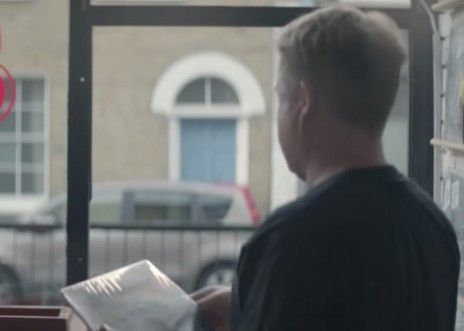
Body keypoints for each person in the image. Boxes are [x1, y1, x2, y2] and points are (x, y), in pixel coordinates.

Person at [193, 5, 460, 331]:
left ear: (304, 101)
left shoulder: (288, 243)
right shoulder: (433, 228)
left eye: (280, 98)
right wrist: (243, 307)